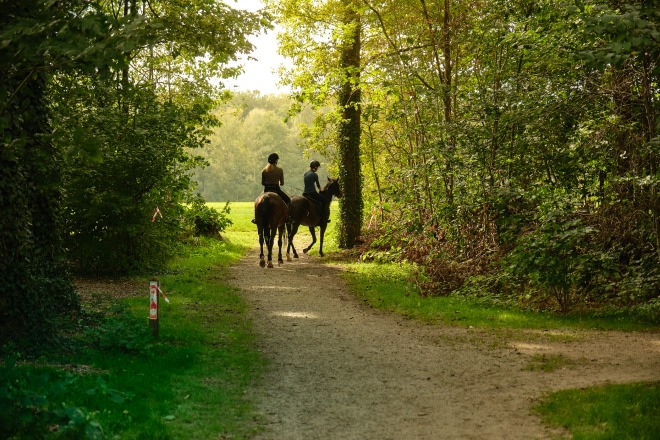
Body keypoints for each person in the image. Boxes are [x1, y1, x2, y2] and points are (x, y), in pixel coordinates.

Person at [252, 153, 291, 223]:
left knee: (257, 201)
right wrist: (277, 182)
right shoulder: (280, 170)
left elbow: (263, 183)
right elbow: (282, 183)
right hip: (276, 189)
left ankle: (256, 218)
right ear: (276, 161)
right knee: (288, 200)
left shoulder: (264, 170)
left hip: (266, 189)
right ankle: (288, 217)